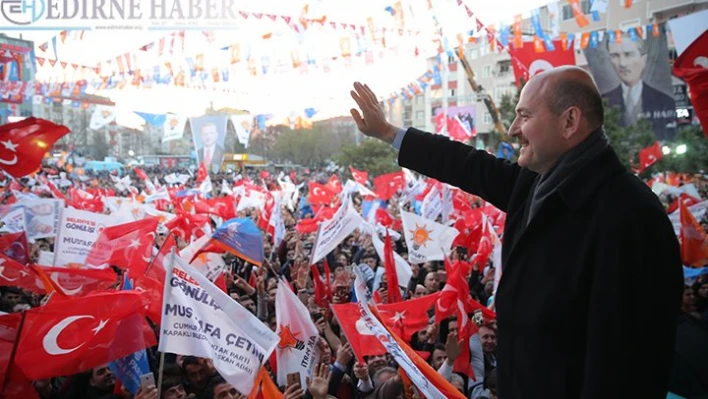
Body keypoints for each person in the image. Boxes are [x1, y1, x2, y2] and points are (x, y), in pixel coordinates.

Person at [349, 66, 683, 398]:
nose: (512, 129)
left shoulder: (629, 216)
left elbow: (626, 368)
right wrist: (389, 132)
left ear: (569, 121)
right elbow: (466, 163)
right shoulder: (536, 183)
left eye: (524, 116)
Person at [602, 36, 676, 140]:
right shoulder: (603, 102)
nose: (622, 63)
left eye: (628, 54)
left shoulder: (664, 100)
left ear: (644, 59)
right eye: (615, 56)